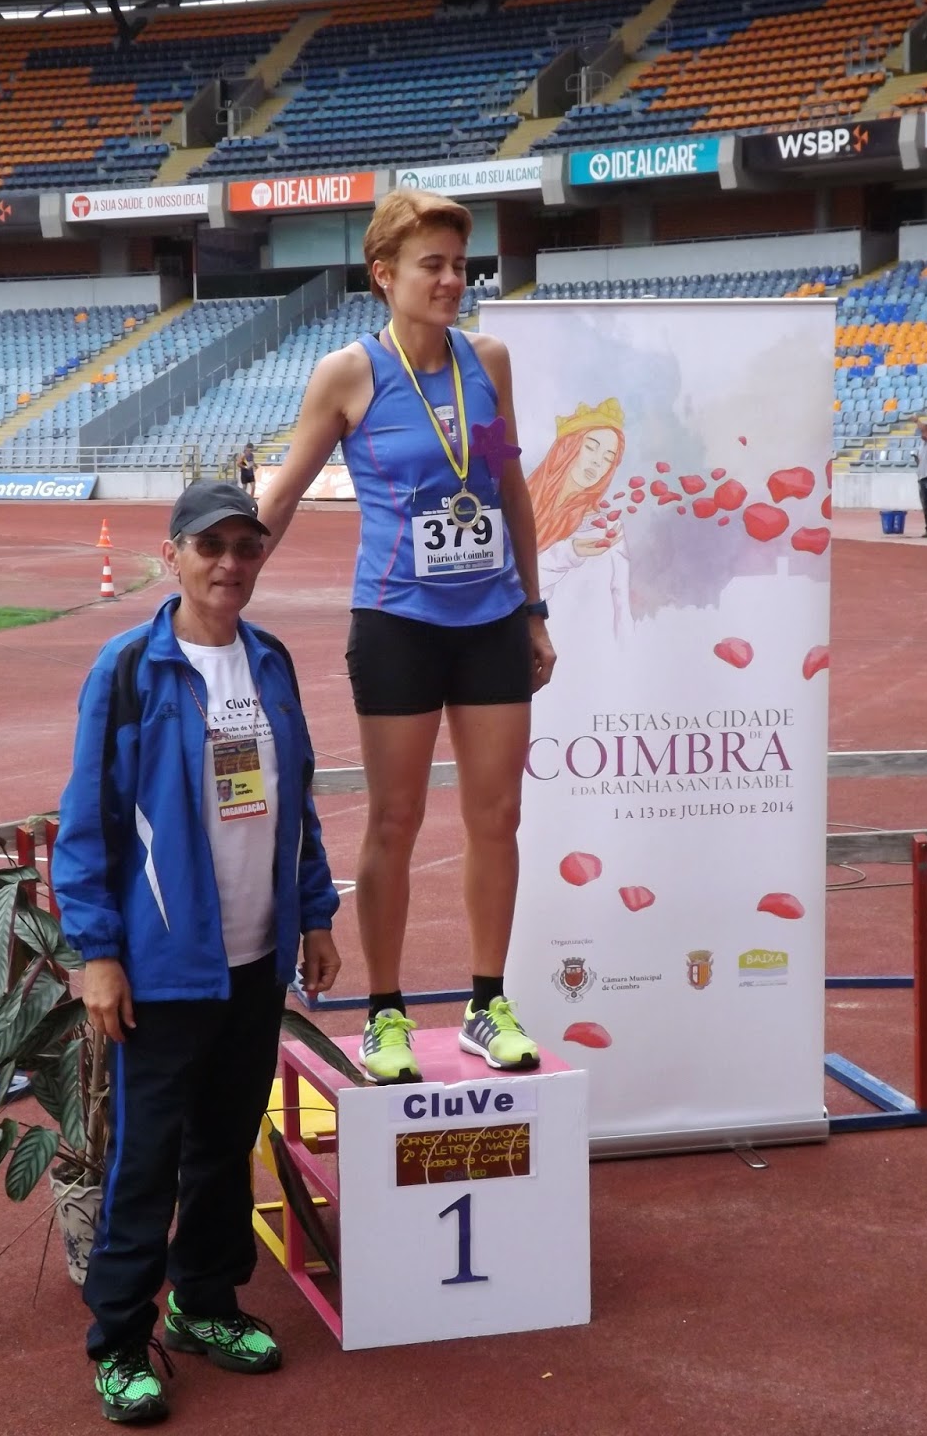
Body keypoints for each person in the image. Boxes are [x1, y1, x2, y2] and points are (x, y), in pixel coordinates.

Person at [52, 479, 341, 1426]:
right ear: (173, 553)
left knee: (223, 1145)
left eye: (246, 547)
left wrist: (314, 915)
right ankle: (118, 1342)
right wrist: (98, 952)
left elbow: (296, 801)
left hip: (255, 960)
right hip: (165, 966)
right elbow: (88, 822)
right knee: (146, 1158)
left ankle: (204, 1304)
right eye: (210, 546)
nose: (229, 564)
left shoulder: (271, 661)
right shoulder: (131, 669)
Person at [256, 187, 555, 1087]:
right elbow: (286, 491)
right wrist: (222, 579)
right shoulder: (348, 375)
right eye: (434, 265)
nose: (453, 280)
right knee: (394, 817)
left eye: (461, 265)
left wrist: (534, 609)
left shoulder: (488, 361)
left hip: (491, 618)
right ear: (384, 274)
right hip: (397, 623)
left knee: (497, 815)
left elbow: (509, 490)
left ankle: (486, 1002)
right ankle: (384, 1011)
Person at [527, 399, 629, 634]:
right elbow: (510, 587)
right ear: (566, 448)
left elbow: (620, 605)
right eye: (591, 447)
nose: (597, 461)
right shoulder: (519, 506)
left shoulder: (605, 529)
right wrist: (569, 552)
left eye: (608, 458)